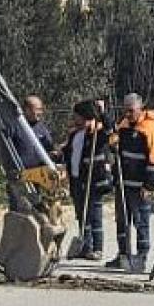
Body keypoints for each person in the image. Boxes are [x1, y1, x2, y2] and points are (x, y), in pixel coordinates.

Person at [106, 93, 154, 272]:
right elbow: (115, 145)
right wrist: (112, 144)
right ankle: (123, 254)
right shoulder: (123, 125)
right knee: (122, 222)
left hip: (140, 187)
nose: (128, 114)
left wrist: (149, 186)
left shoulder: (151, 128)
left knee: (141, 223)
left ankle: (141, 256)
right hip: (123, 184)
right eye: (125, 111)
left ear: (140, 108)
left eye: (131, 111)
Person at [60, 100, 113, 261]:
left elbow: (111, 129)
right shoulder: (75, 134)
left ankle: (97, 248)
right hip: (77, 181)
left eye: (77, 116)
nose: (75, 119)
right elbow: (69, 153)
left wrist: (102, 112)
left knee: (94, 215)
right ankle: (85, 245)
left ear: (85, 117)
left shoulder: (98, 134)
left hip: (94, 182)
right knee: (82, 216)